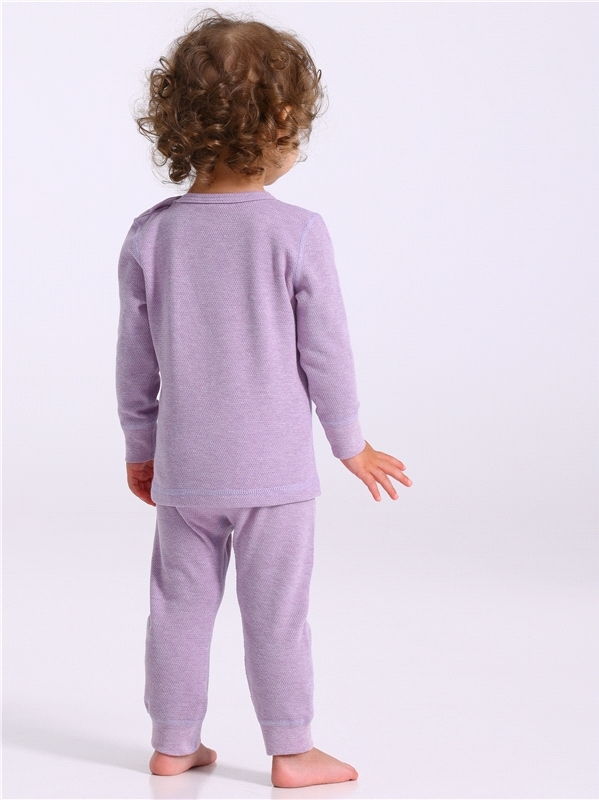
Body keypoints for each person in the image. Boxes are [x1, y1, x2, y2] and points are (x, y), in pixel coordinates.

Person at [115, 7, 412, 789]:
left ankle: (173, 742)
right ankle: (291, 750)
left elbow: (134, 362)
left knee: (178, 607)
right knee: (276, 613)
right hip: (273, 473)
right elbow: (327, 352)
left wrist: (141, 448)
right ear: (281, 122)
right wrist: (350, 444)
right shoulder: (297, 232)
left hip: (186, 470)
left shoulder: (150, 234)